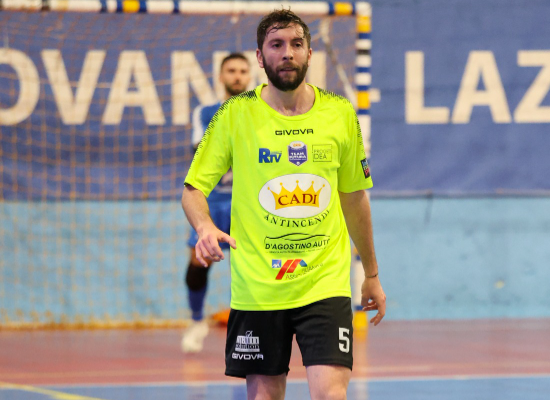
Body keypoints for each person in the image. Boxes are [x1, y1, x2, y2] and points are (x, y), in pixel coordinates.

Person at [181, 9, 386, 400]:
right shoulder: (233, 114)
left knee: (331, 394)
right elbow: (192, 190)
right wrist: (204, 227)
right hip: (258, 287)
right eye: (276, 45)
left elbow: (355, 197)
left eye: (296, 44)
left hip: (324, 283)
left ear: (310, 53)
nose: (287, 53)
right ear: (260, 57)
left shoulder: (340, 113)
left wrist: (371, 273)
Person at [181, 53, 251, 353]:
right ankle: (197, 320)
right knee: (199, 263)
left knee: (249, 268)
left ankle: (249, 327)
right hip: (211, 202)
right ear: (221, 77)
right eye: (231, 70)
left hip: (247, 203)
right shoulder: (206, 112)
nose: (237, 76)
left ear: (250, 76)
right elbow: (201, 150)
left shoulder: (260, 111)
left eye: (242, 71)